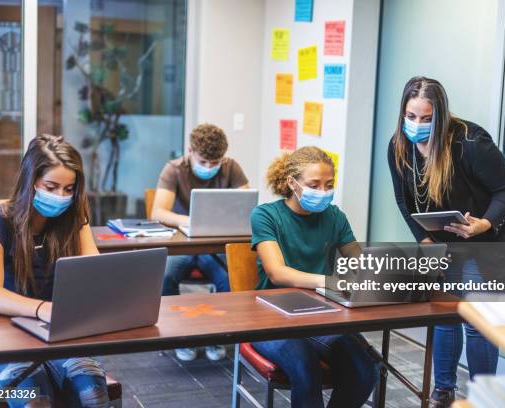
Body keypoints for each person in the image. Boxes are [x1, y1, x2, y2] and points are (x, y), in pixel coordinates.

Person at [387, 76, 505, 407]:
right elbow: (404, 201)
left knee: (478, 323)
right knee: (445, 314)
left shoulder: (469, 143)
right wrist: (425, 241)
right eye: (411, 116)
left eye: (426, 118)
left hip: (487, 239)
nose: (417, 125)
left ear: (441, 116)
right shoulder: (399, 146)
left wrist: (484, 224)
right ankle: (443, 391)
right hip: (444, 242)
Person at [0, 134, 109, 408]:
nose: (61, 196)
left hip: (58, 333)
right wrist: (44, 308)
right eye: (52, 186)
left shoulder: (73, 219)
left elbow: (96, 272)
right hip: (4, 334)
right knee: (35, 399)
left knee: (94, 396)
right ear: (31, 181)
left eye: (69, 189)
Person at [250, 146, 379, 408]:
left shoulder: (335, 217)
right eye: (314, 184)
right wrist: (330, 282)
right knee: (307, 370)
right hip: (270, 318)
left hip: (320, 315)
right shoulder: (266, 215)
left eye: (328, 185)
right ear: (292, 183)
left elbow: (360, 261)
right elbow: (277, 273)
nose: (322, 192)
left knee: (365, 371)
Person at [151, 123, 249, 362]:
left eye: (215, 163)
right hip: (181, 242)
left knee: (231, 279)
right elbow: (158, 212)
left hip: (216, 244)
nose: (209, 167)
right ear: (190, 151)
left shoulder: (231, 167)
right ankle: (180, 337)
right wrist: (191, 221)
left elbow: (247, 206)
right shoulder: (173, 169)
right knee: (165, 277)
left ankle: (217, 337)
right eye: (203, 162)